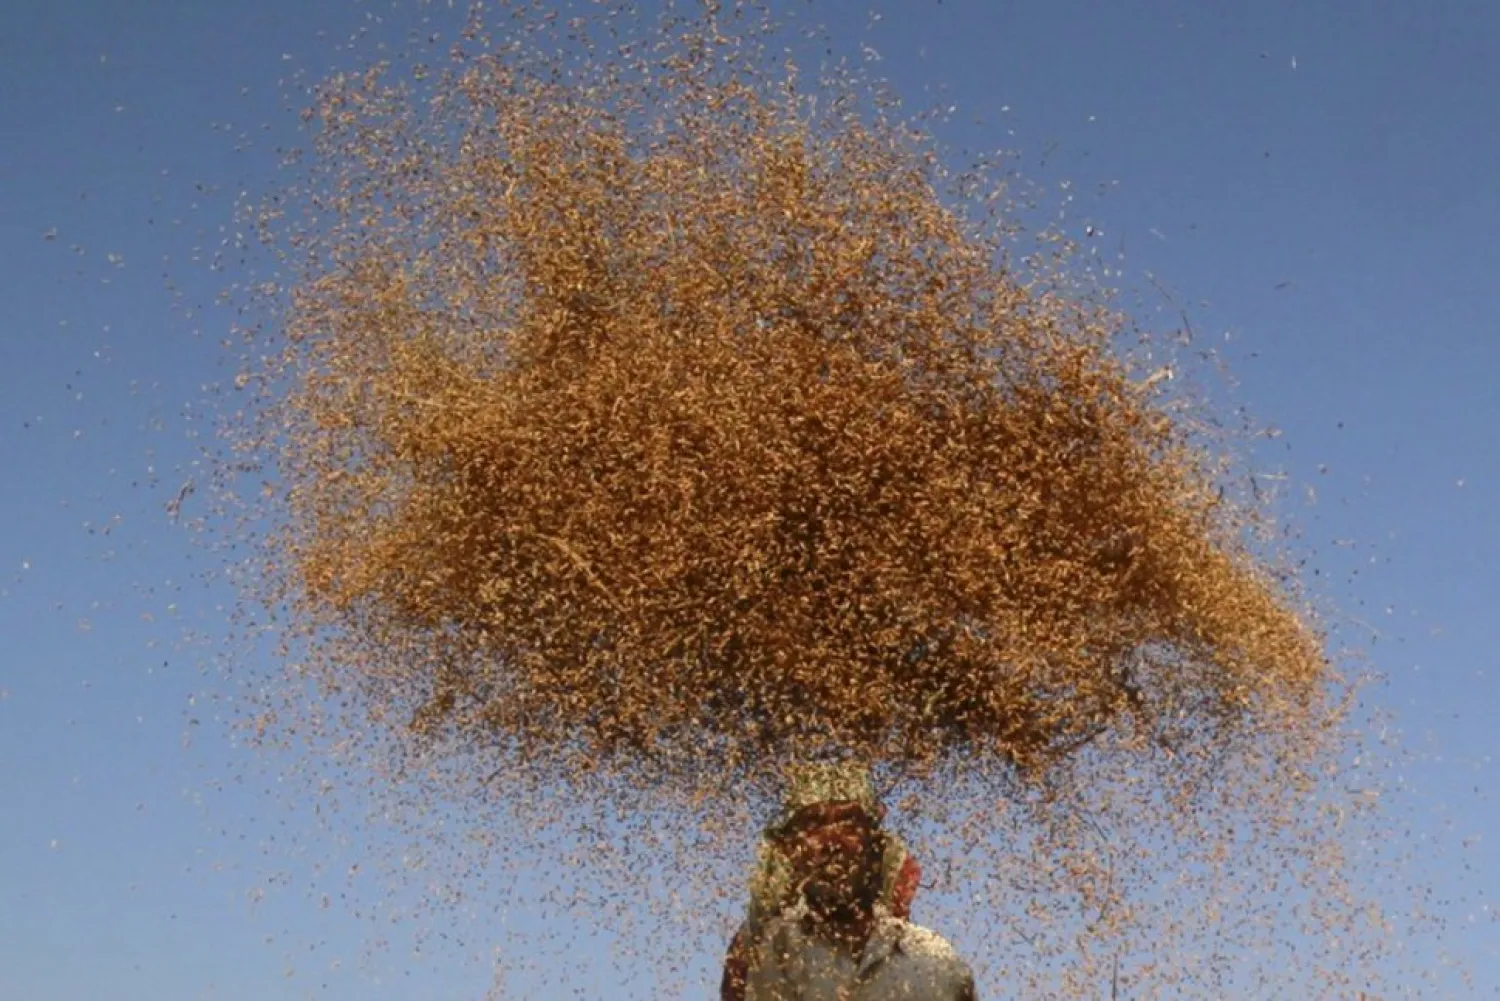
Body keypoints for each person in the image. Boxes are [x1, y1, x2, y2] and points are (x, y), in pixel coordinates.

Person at [721, 763, 976, 1001]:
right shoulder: (767, 952)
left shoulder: (935, 962)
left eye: (848, 824)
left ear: (875, 846)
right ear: (790, 849)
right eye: (814, 825)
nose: (832, 841)